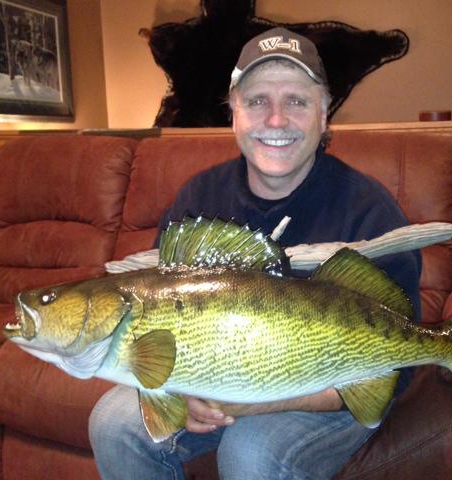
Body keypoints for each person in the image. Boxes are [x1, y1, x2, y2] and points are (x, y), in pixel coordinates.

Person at [89, 27, 421, 480]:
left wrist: (255, 397)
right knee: (113, 424)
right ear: (234, 115)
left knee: (251, 453)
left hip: (326, 392)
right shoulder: (198, 200)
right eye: (258, 100)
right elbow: (158, 318)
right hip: (209, 382)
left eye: (297, 101)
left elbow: (397, 364)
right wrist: (179, 393)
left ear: (324, 115)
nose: (277, 120)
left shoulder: (369, 210)